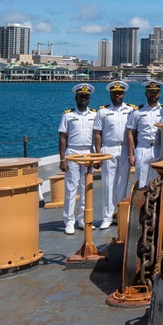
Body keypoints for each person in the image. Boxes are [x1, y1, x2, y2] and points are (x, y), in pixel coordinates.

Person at [93, 81, 137, 230]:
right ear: (110, 94)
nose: (117, 95)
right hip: (108, 148)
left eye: (120, 93)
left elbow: (134, 132)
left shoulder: (131, 110)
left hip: (125, 148)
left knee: (122, 183)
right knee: (108, 184)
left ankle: (120, 214)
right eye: (115, 93)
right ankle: (107, 217)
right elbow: (97, 134)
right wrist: (98, 154)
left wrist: (132, 152)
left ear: (124, 94)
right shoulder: (103, 112)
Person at [59, 83, 97, 235]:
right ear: (76, 98)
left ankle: (83, 219)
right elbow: (63, 137)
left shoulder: (94, 115)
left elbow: (98, 135)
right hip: (73, 152)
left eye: (86, 96)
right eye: (81, 96)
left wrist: (96, 155)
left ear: (89, 98)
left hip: (88, 152)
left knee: (85, 187)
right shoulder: (68, 115)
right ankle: (69, 221)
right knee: (71, 188)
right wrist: (63, 159)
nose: (83, 99)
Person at [126, 80, 163, 188]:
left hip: (158, 149)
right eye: (150, 92)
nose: (153, 94)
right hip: (142, 148)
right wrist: (130, 154)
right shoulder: (137, 111)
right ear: (146, 93)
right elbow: (130, 133)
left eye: (155, 92)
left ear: (159, 93)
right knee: (140, 183)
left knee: (158, 184)